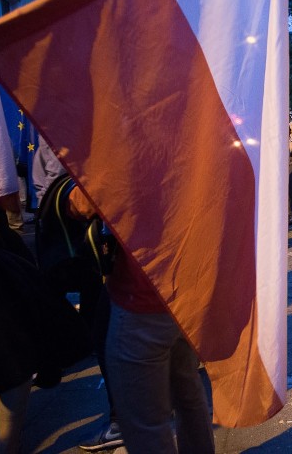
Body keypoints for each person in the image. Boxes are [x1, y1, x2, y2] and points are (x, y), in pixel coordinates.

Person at [66, 187, 215, 453]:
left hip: (141, 295)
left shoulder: (130, 144)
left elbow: (85, 201)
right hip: (189, 286)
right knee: (188, 394)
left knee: (145, 423)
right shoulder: (198, 143)